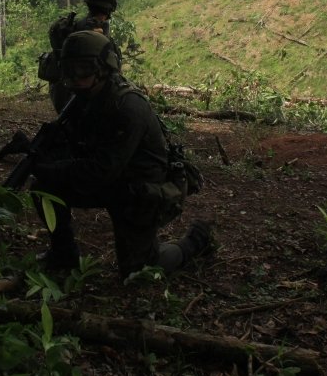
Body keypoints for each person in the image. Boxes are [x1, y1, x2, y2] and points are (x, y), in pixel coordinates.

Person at [29, 30, 212, 281]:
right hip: (114, 179)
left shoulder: (127, 106)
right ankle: (63, 254)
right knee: (44, 188)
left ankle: (196, 240)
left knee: (140, 271)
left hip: (140, 188)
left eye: (82, 70)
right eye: (67, 70)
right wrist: (38, 151)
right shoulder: (85, 96)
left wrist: (46, 167)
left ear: (103, 68)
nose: (72, 79)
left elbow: (99, 170)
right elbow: (78, 146)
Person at [43, 0, 121, 113]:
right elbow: (114, 69)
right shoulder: (94, 33)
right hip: (81, 97)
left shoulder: (75, 26)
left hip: (64, 95)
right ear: (110, 7)